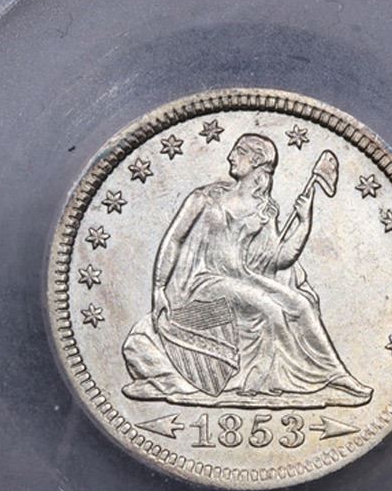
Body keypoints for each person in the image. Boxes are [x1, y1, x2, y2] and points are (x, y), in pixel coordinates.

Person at [122, 132, 373, 408]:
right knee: (269, 308)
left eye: (239, 151)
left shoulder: (263, 209)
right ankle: (270, 379)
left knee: (300, 304)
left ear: (256, 161)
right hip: (200, 283)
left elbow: (279, 259)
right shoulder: (205, 198)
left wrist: (304, 221)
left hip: (240, 277)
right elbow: (174, 240)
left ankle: (336, 375)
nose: (230, 156)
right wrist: (158, 288)